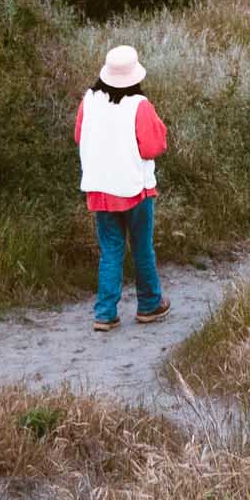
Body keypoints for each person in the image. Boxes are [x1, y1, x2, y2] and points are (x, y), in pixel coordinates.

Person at [74, 45, 169, 332]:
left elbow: (79, 136)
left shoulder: (89, 100)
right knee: (141, 247)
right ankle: (149, 304)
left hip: (100, 188)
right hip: (134, 188)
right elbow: (154, 147)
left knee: (111, 250)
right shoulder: (139, 105)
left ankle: (104, 313)